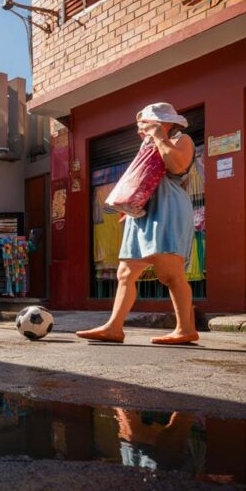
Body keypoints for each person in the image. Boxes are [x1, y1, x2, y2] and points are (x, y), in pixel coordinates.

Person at [77, 103, 199, 345]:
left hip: (167, 209)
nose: (139, 130)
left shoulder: (181, 139)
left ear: (163, 122)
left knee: (170, 273)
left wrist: (159, 136)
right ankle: (114, 327)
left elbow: (177, 166)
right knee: (125, 272)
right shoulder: (148, 145)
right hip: (141, 212)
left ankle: (186, 329)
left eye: (144, 124)